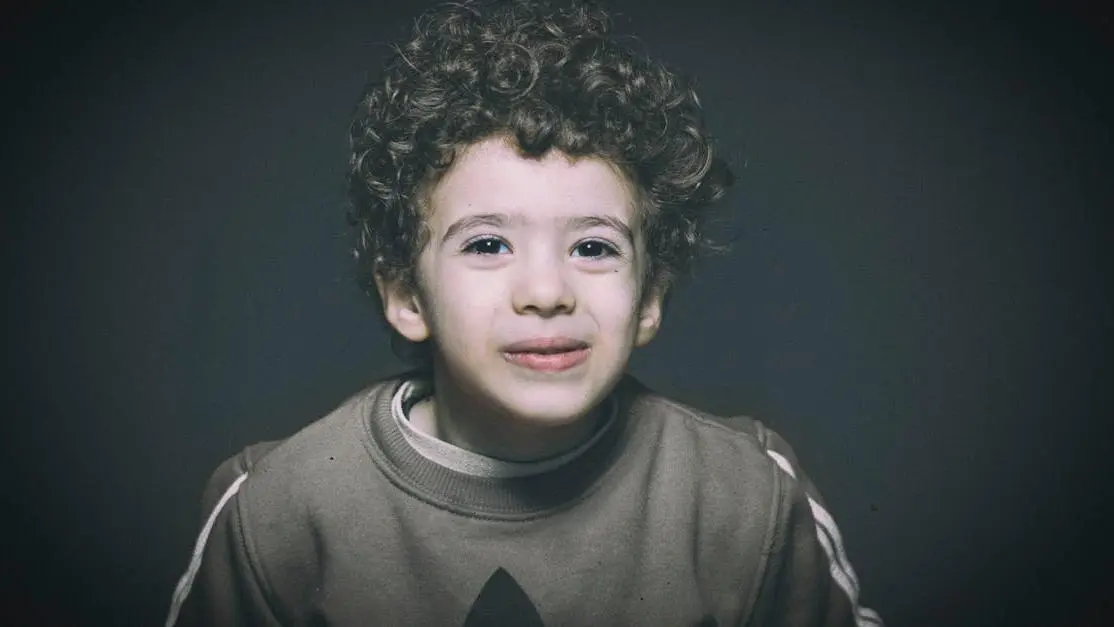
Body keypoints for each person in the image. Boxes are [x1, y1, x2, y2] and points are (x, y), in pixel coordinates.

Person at [166, 0, 884, 625]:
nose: (546, 289)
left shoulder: (744, 494)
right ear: (406, 296)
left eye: (595, 248)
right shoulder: (280, 511)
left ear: (650, 299)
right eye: (487, 243)